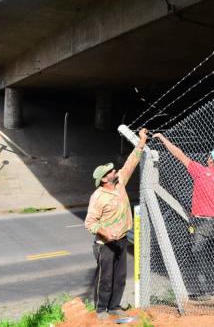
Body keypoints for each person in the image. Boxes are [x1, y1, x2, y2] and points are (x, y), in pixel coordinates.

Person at [152, 133, 214, 300]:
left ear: (210, 159)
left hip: (201, 221)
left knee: (198, 253)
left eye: (209, 156)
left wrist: (163, 138)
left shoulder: (201, 171)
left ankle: (205, 292)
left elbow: (179, 154)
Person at [85, 128, 148, 320]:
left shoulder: (119, 183)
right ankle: (101, 309)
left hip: (120, 239)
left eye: (113, 170)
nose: (115, 171)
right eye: (111, 171)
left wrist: (141, 142)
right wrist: (105, 233)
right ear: (104, 179)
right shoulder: (98, 197)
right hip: (105, 244)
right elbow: (90, 223)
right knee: (105, 278)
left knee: (120, 277)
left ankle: (114, 306)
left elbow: (130, 163)